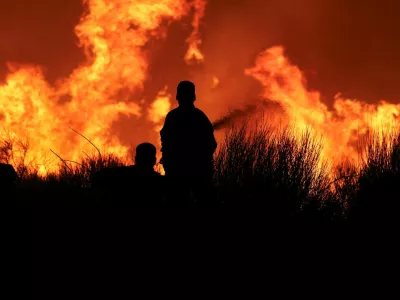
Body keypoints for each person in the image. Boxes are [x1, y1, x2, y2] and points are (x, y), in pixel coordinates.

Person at [160, 80, 217, 207]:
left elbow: (165, 141)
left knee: (177, 203)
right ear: (194, 97)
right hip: (197, 171)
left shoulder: (172, 116)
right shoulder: (200, 117)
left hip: (178, 172)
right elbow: (212, 145)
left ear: (177, 96)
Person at [92, 143, 164, 207]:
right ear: (154, 160)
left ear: (136, 159)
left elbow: (97, 177)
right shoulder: (160, 182)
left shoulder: (120, 173)